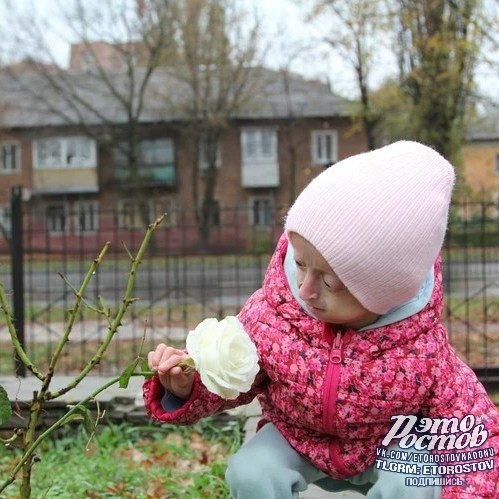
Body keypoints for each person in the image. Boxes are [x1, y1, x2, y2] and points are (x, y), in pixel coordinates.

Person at [144, 141, 499, 498]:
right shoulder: (273, 314)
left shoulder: (423, 350)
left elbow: (473, 439)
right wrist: (189, 387)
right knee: (251, 471)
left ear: (388, 292)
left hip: (390, 447)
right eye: (299, 263)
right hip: (298, 436)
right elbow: (236, 378)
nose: (305, 288)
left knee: (413, 481)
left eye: (329, 281)